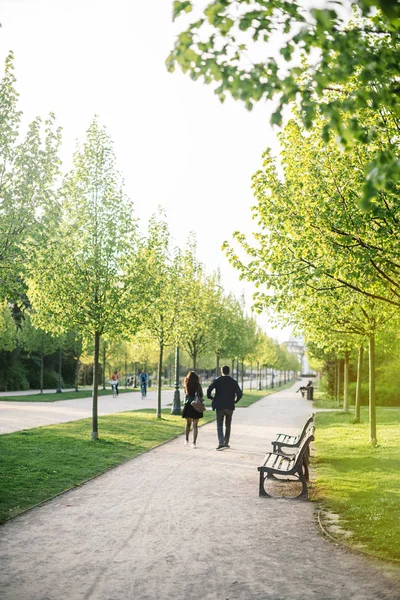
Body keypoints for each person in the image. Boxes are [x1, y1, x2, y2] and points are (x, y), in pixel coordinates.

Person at [207, 365, 242, 450]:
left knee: (219, 425)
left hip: (220, 406)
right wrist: (235, 401)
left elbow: (209, 389)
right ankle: (226, 442)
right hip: (230, 405)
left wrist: (211, 398)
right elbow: (239, 393)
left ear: (222, 371)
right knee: (228, 425)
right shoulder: (233, 381)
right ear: (228, 371)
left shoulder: (218, 380)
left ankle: (221, 443)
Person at [182, 370, 204, 448]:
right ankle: (194, 442)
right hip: (196, 405)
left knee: (188, 424)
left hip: (188, 405)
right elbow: (201, 395)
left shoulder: (186, 384)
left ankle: (186, 440)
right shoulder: (198, 385)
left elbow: (186, 394)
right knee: (195, 425)